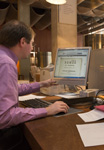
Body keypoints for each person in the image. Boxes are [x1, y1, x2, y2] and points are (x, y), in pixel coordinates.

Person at [0, 20, 69, 150]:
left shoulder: (2, 57)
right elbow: (4, 116)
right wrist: (47, 110)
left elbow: (11, 89)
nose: (32, 48)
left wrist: (41, 84)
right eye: (31, 43)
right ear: (22, 42)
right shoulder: (6, 64)